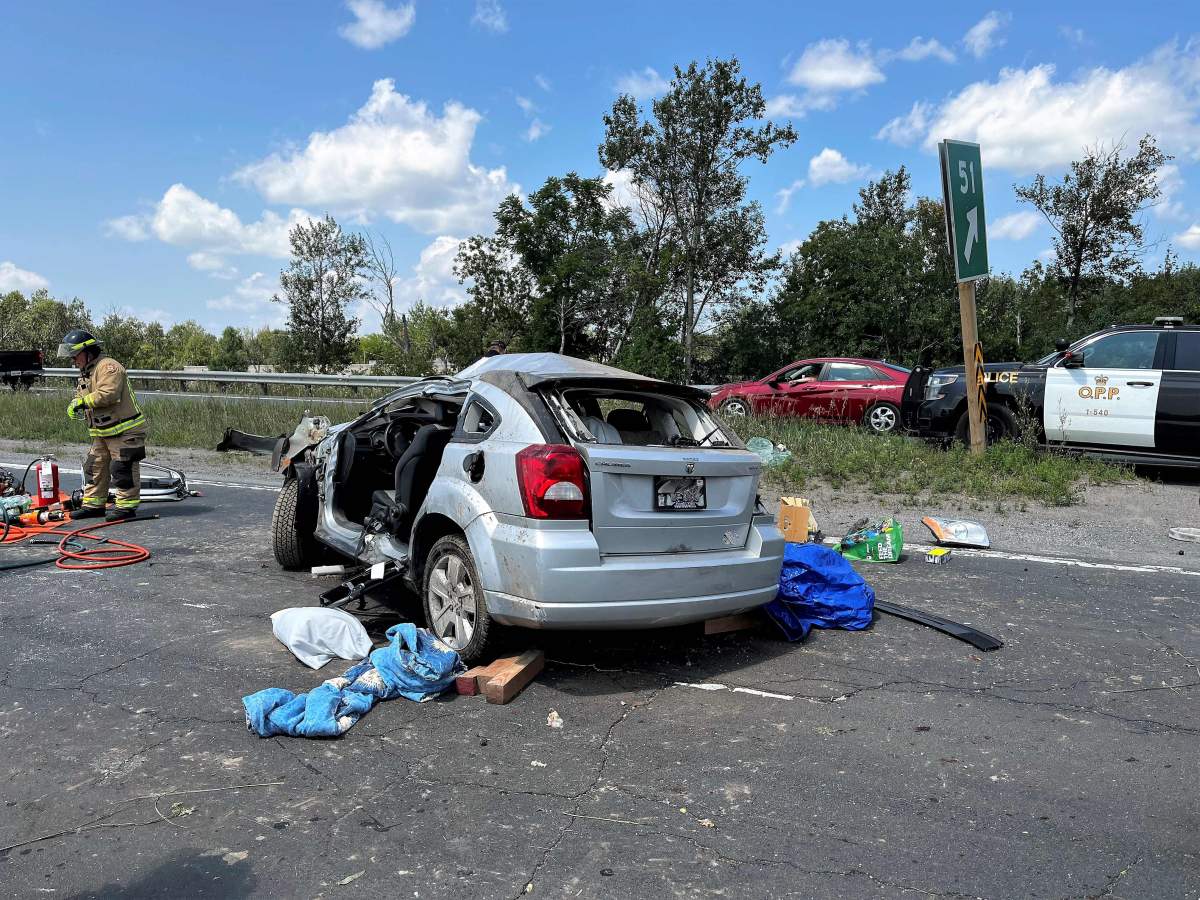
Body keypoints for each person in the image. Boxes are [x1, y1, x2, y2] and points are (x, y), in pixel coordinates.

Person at [59, 329, 148, 521]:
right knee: (94, 467)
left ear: (88, 351)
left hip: (125, 430)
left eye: (75, 356)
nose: (73, 360)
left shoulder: (108, 367)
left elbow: (109, 394)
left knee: (122, 468)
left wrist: (82, 403)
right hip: (103, 432)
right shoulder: (87, 371)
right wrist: (75, 403)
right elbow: (81, 395)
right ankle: (93, 505)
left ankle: (126, 507)